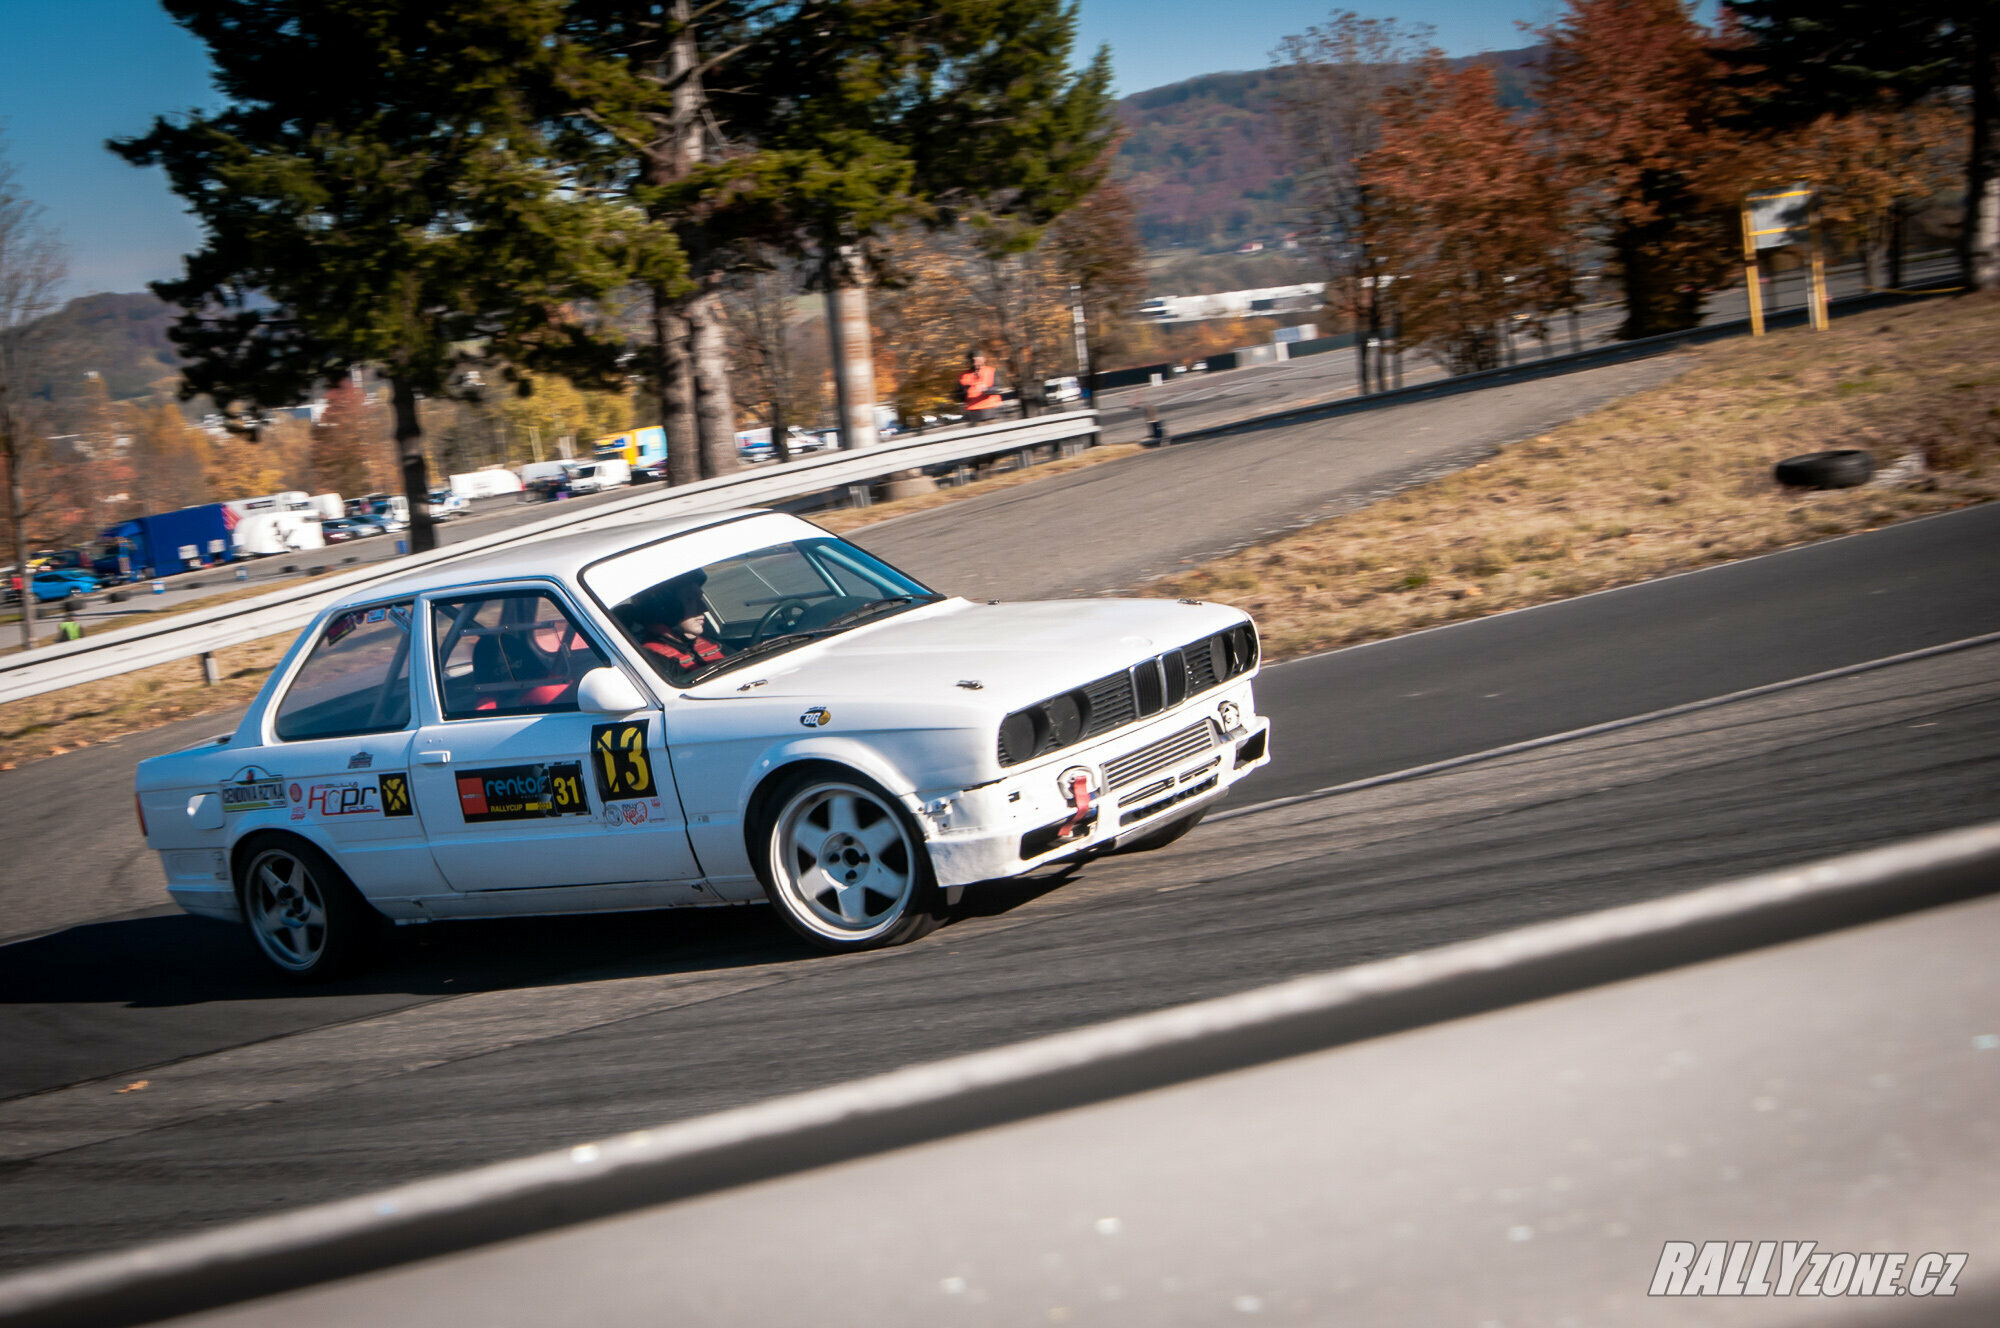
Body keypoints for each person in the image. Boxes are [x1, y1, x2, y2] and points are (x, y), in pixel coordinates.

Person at [631, 572, 725, 677]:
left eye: (699, 599)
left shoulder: (712, 643)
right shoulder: (656, 664)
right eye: (690, 600)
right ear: (667, 610)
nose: (703, 608)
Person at [959, 351, 1002, 425]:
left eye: (978, 360)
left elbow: (997, 389)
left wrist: (986, 390)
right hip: (974, 414)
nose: (976, 363)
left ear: (983, 359)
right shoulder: (964, 375)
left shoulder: (991, 371)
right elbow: (959, 394)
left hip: (990, 411)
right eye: (973, 361)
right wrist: (966, 391)